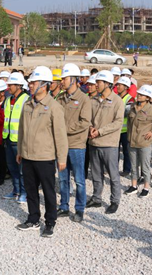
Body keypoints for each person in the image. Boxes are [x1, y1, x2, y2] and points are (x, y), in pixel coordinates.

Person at [16, 66, 68, 238]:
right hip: (28, 156)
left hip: (45, 157)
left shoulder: (54, 107)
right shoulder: (27, 104)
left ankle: (50, 221)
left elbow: (60, 135)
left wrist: (62, 158)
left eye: (33, 82)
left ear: (44, 85)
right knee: (31, 190)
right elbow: (22, 129)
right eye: (30, 83)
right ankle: (33, 218)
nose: (30, 85)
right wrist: (20, 150)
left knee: (48, 191)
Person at [55, 63, 91, 223]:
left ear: (74, 80)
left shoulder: (84, 99)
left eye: (65, 78)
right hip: (62, 146)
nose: (62, 81)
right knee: (63, 178)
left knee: (79, 180)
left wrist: (64, 129)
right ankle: (64, 206)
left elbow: (85, 122)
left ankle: (79, 209)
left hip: (76, 145)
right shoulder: (60, 98)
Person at [86, 70, 124, 214]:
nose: (96, 85)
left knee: (113, 174)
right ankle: (96, 198)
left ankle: (115, 201)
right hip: (94, 142)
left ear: (107, 84)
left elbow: (118, 122)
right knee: (96, 173)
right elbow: (88, 118)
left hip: (109, 144)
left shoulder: (117, 101)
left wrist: (100, 131)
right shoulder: (93, 100)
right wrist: (90, 128)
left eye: (99, 82)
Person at [125, 85, 152, 197]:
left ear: (148, 97)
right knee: (134, 166)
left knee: (145, 166)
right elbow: (129, 123)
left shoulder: (151, 110)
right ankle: (134, 186)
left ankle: (146, 188)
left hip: (144, 143)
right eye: (139, 94)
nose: (139, 95)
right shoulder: (133, 106)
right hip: (132, 141)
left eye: (142, 94)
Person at [2, 71, 29, 203]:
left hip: (19, 140)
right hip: (8, 138)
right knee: (12, 167)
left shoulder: (26, 99)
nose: (8, 87)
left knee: (22, 169)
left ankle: (24, 192)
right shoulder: (8, 100)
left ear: (19, 85)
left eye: (11, 85)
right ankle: (16, 190)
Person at [115, 77, 134, 178]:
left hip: (125, 130)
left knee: (126, 151)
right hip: (116, 129)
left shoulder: (130, 99)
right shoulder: (116, 97)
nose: (117, 87)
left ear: (126, 87)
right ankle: (114, 168)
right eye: (117, 85)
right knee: (115, 151)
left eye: (120, 85)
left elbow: (127, 112)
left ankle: (127, 169)